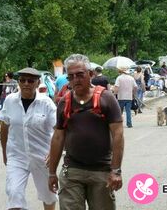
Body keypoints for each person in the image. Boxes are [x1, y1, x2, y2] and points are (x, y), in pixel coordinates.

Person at [48, 54, 124, 210]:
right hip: (72, 171)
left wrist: (116, 170)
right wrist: (52, 173)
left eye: (80, 75)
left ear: (90, 74)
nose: (76, 79)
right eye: (71, 76)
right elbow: (58, 137)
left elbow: (118, 135)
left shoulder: (106, 98)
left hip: (101, 172)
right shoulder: (65, 102)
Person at [0, 67, 57, 210]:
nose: (26, 84)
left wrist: (53, 152)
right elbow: (4, 127)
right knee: (14, 193)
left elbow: (57, 131)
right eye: (22, 80)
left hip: (42, 156)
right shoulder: (10, 101)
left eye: (30, 81)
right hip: (17, 156)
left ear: (38, 83)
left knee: (48, 195)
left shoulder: (46, 103)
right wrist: (5, 153)